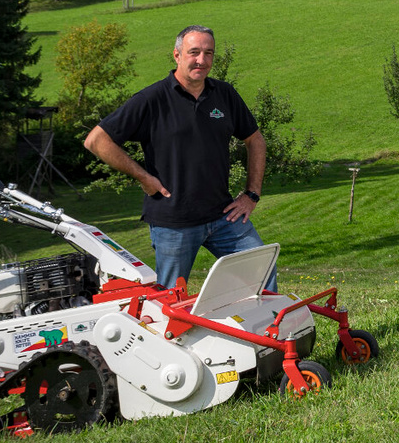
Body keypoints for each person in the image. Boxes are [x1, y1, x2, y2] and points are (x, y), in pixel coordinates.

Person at [84, 25, 273, 291]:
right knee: (171, 300)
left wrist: (251, 194)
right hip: (173, 222)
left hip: (223, 216)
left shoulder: (224, 94)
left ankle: (265, 330)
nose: (202, 60)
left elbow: (255, 140)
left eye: (209, 53)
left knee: (260, 270)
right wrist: (142, 176)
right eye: (194, 52)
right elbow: (96, 140)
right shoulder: (152, 99)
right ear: (177, 55)